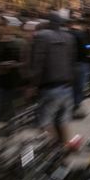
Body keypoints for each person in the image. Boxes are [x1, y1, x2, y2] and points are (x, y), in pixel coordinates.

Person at [31, 12, 76, 143]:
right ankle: (65, 152)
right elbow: (71, 60)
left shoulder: (42, 36)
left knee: (45, 123)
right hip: (67, 86)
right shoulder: (69, 37)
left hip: (50, 87)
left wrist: (33, 85)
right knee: (63, 121)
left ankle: (53, 154)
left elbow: (38, 62)